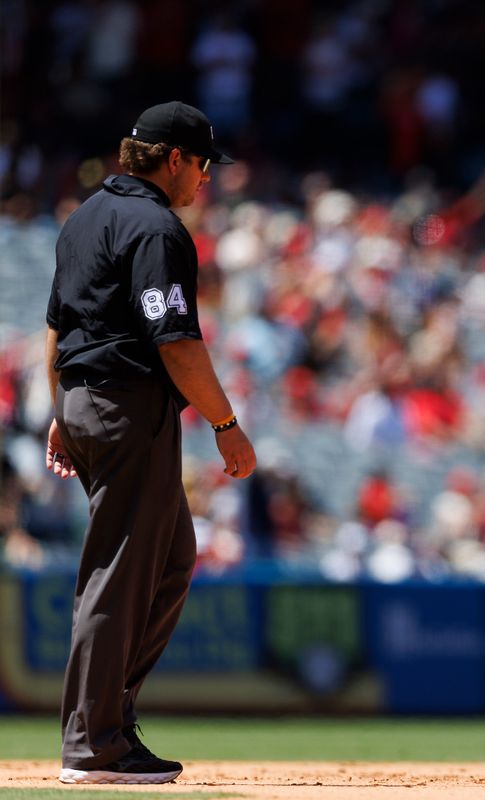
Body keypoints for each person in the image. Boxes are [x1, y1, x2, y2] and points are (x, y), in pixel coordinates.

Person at [44, 101, 256, 784]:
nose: (205, 180)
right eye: (201, 165)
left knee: (169, 559)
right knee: (122, 570)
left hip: (86, 397)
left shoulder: (84, 218)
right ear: (172, 160)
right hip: (127, 404)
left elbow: (57, 326)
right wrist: (226, 424)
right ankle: (94, 742)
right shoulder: (156, 226)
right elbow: (178, 343)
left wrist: (61, 406)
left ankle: (108, 716)